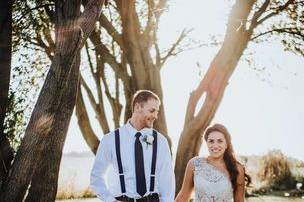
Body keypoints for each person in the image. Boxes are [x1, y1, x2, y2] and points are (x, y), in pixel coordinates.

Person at [90, 90, 175, 202]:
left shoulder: (160, 141)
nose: (155, 116)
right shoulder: (110, 140)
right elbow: (96, 176)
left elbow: (167, 181)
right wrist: (110, 200)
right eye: (152, 111)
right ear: (137, 107)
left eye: (157, 112)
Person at [175, 123, 251, 202]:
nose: (215, 145)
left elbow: (239, 200)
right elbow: (183, 196)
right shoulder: (194, 164)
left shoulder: (237, 169)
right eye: (211, 141)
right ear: (207, 143)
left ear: (226, 144)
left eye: (220, 141)